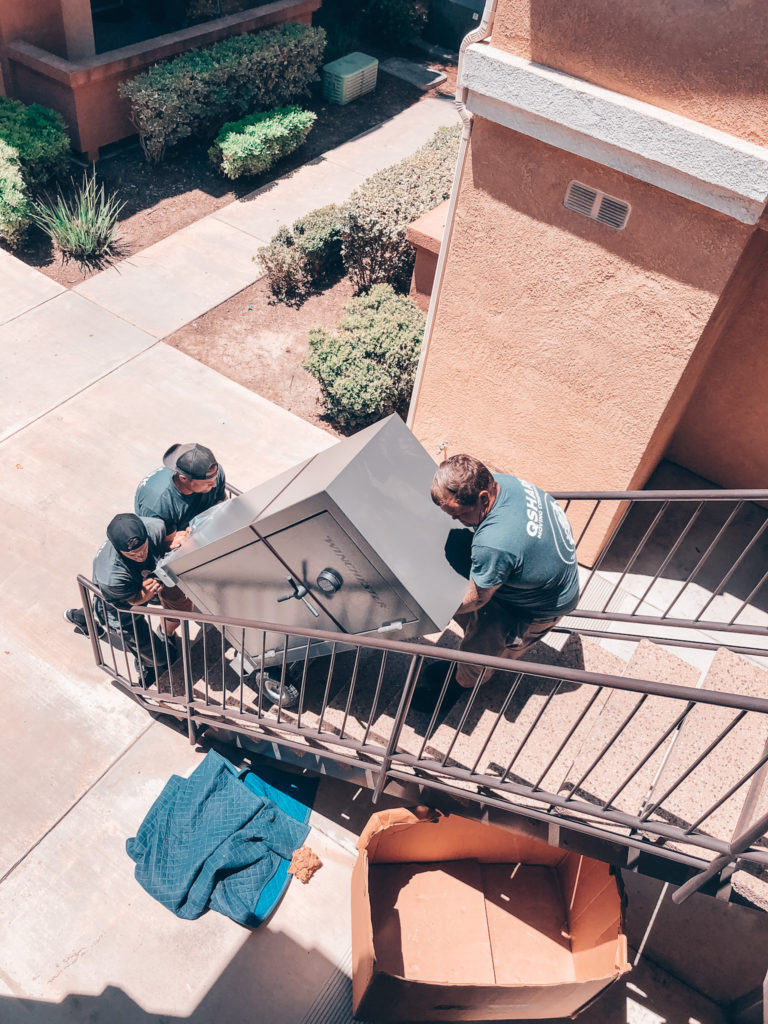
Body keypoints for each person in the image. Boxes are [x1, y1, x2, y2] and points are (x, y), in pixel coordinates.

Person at [428, 454, 580, 693]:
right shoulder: (502, 482)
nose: (457, 521)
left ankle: (460, 686)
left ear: (483, 497)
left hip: (533, 609)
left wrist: (434, 611)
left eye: (460, 515)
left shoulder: (495, 543)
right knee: (474, 622)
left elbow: (477, 598)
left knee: (477, 657)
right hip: (540, 582)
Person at [85, 513, 193, 686]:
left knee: (180, 604)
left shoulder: (155, 527)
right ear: (119, 551)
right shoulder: (112, 577)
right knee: (157, 658)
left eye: (144, 548)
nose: (141, 555)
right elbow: (133, 602)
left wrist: (171, 542)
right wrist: (145, 594)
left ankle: (86, 616)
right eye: (134, 555)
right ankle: (145, 665)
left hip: (143, 581)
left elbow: (166, 541)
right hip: (119, 608)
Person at [134, 443, 226, 547]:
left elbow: (222, 502)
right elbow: (167, 542)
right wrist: (182, 539)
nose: (214, 484)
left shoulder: (213, 474)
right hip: (173, 532)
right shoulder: (159, 504)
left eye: (215, 478)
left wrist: (204, 523)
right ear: (184, 478)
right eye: (207, 483)